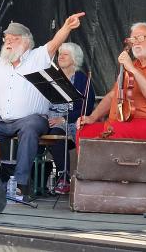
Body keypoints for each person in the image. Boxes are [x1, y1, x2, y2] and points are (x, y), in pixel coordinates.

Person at [0, 12, 85, 196]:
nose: (8, 42)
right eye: (6, 38)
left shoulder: (37, 57)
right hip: (2, 121)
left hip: (32, 119)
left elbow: (55, 43)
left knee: (30, 128)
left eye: (14, 39)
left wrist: (66, 27)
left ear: (26, 42)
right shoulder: (0, 64)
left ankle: (20, 183)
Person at [76, 22, 146, 146]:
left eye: (140, 38)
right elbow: (113, 95)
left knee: (115, 131)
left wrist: (133, 70)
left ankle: (113, 165)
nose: (135, 42)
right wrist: (92, 118)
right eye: (133, 39)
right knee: (85, 132)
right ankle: (95, 166)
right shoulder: (134, 64)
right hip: (127, 123)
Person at [46, 42, 95, 194]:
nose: (60, 56)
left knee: (56, 135)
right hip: (47, 119)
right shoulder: (50, 77)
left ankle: (63, 178)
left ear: (74, 59)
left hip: (70, 122)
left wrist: (64, 119)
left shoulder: (82, 79)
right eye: (60, 53)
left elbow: (87, 107)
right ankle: (35, 180)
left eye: (65, 54)